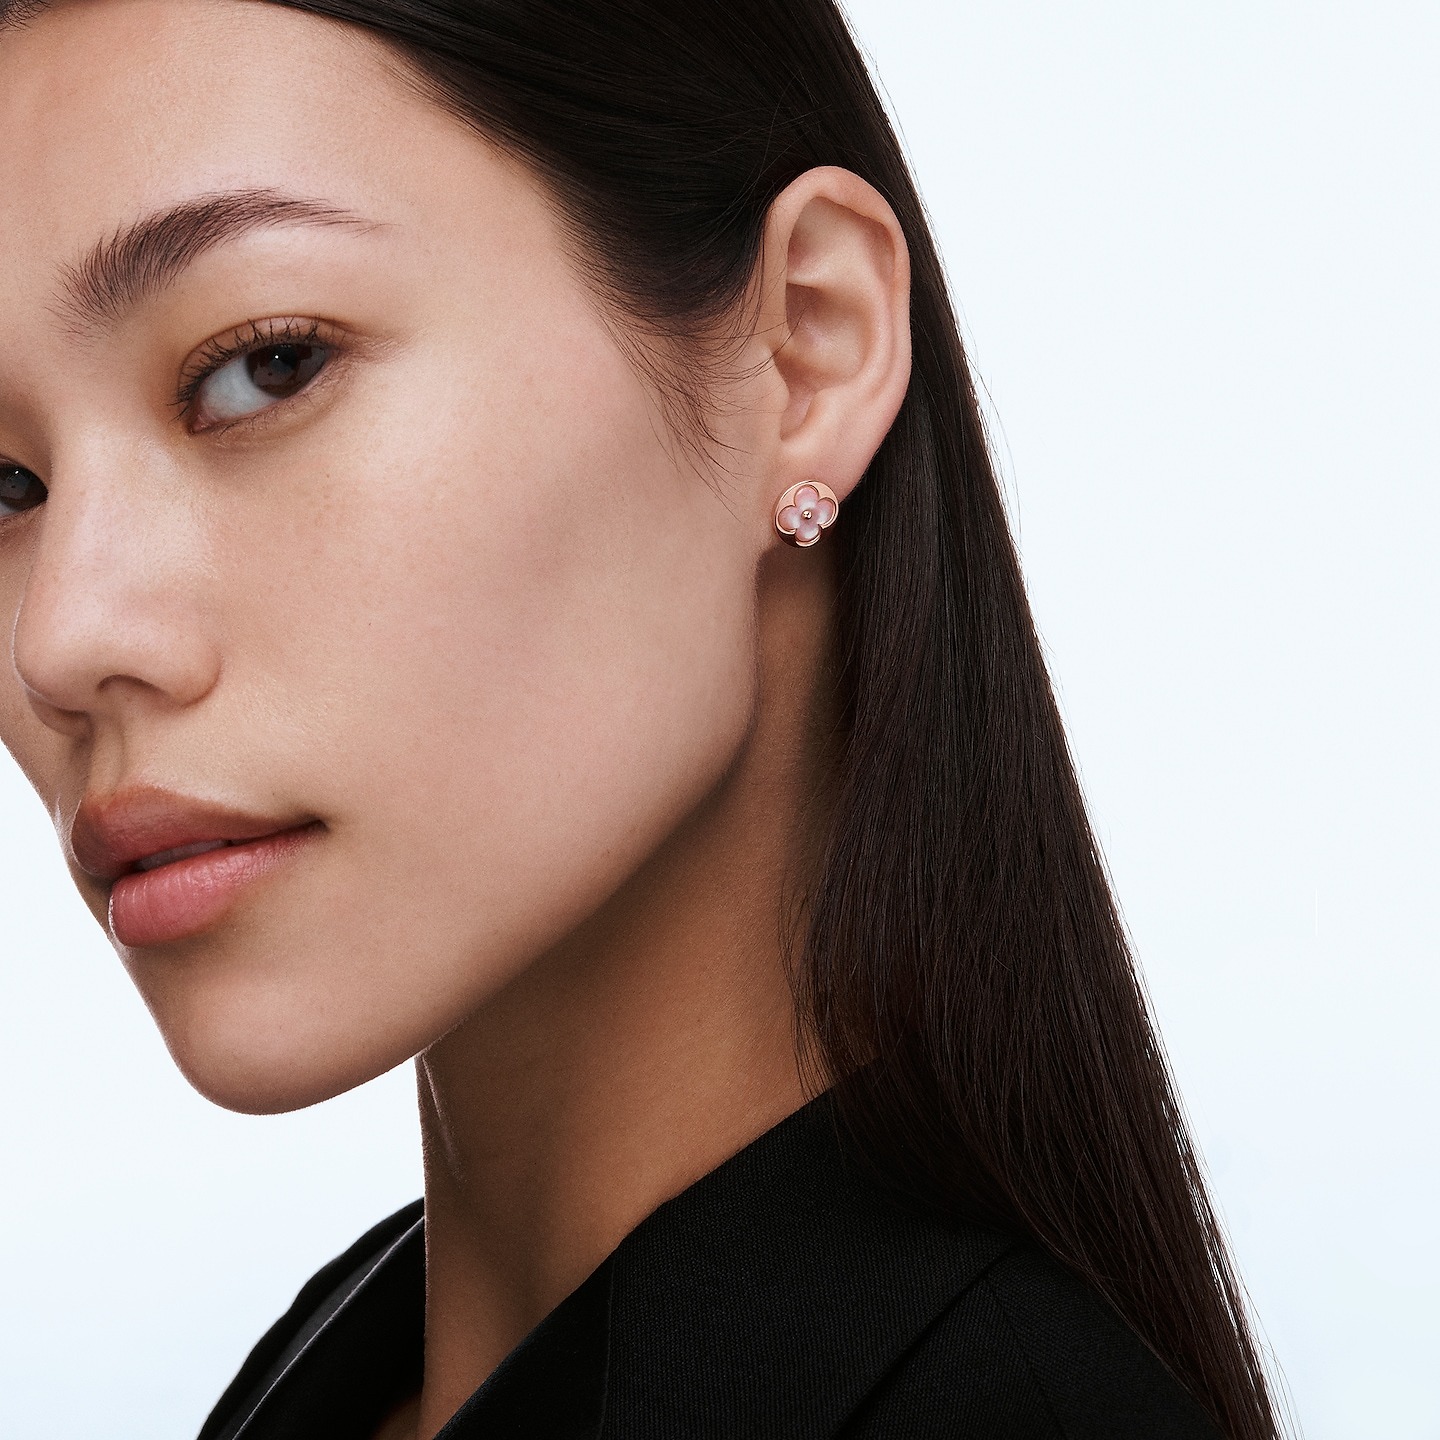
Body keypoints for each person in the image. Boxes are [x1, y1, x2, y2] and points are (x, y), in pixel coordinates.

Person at [0, 1, 1279, 1436]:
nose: (61, 639)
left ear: (808, 351)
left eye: (267, 364)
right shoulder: (332, 1370)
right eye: (4, 487)